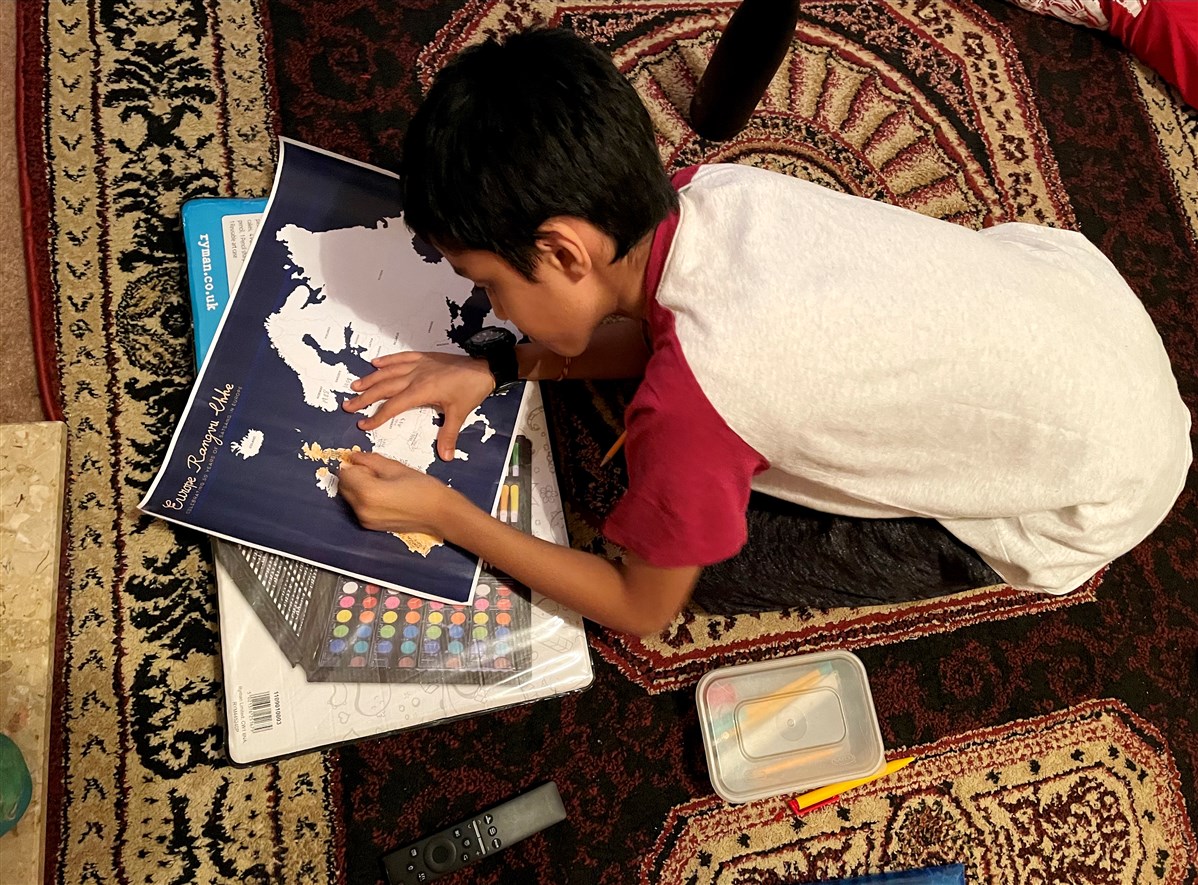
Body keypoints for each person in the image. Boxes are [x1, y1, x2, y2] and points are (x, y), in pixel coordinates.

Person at [336, 27, 1191, 636]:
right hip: (1091, 308)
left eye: (489, 285)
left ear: (563, 251)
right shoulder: (712, 190)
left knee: (711, 567)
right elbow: (665, 332)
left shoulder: (694, 404)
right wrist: (501, 365)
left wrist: (447, 513)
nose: (492, 306)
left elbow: (641, 607)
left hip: (1091, 498)